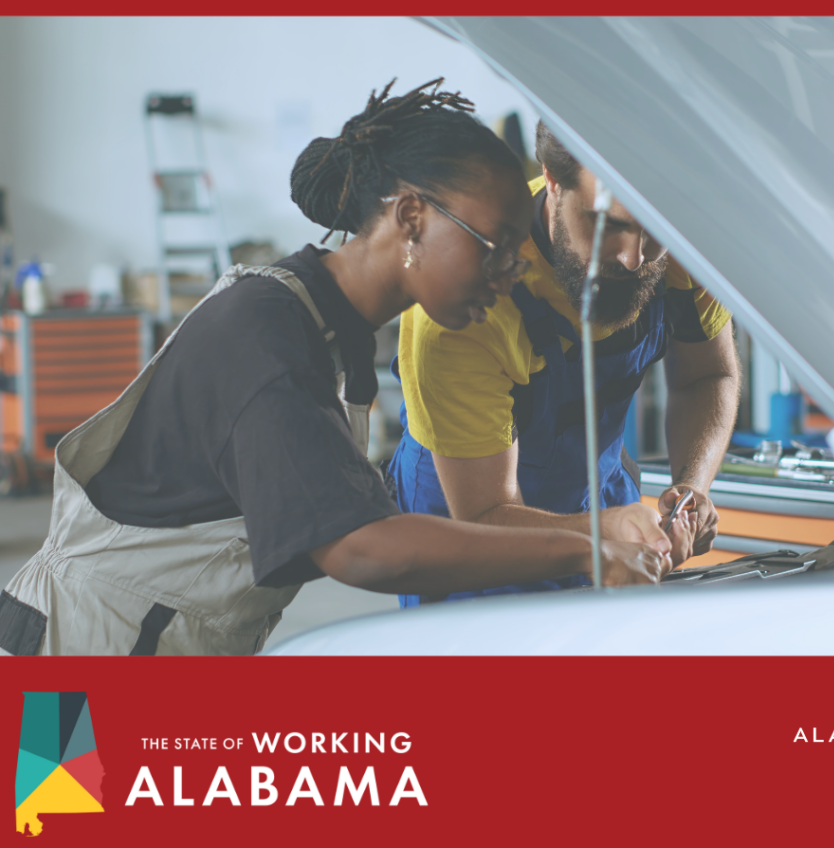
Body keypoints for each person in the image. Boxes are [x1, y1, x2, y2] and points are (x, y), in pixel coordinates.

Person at [0, 82, 669, 657]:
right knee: (58, 814)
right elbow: (363, 549)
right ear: (411, 218)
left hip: (158, 638)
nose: (507, 278)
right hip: (82, 655)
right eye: (493, 249)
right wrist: (589, 545)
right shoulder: (265, 334)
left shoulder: (323, 325)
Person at [389, 121, 739, 606]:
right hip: (469, 517)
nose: (637, 258)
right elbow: (485, 513)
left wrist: (691, 488)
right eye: (610, 224)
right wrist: (598, 534)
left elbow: (708, 375)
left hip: (594, 491)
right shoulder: (463, 301)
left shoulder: (684, 253)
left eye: (658, 230)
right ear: (553, 181)